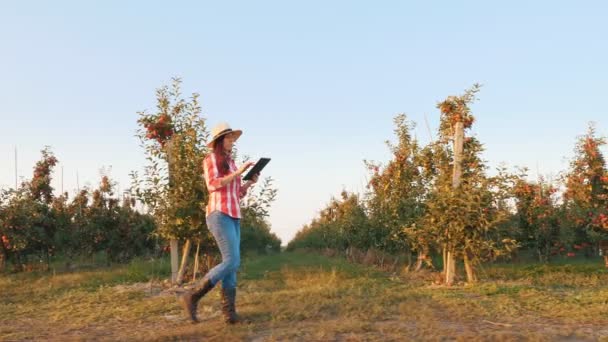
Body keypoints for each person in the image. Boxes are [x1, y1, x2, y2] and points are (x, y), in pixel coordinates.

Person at [181, 122, 259, 324]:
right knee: (232, 260)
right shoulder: (210, 159)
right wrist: (238, 173)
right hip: (218, 214)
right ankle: (193, 295)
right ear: (219, 141)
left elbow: (237, 193)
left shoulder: (231, 163)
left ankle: (229, 315)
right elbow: (213, 184)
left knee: (232, 265)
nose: (232, 141)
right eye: (229, 138)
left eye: (233, 138)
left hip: (233, 214)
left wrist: (249, 182)